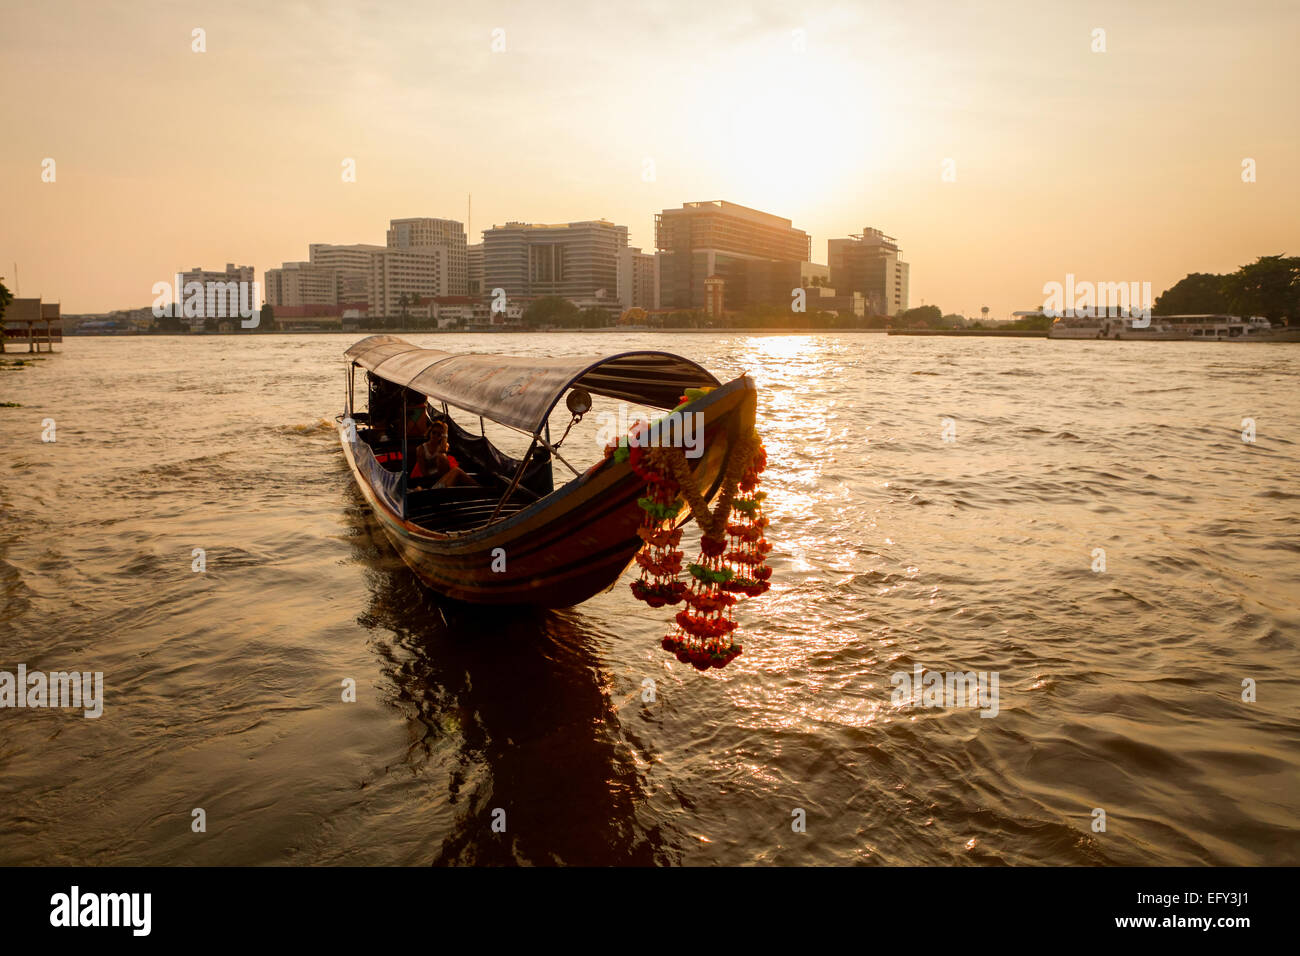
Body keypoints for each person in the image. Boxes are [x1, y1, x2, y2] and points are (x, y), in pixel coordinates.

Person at [411, 420, 478, 488]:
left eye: (439, 434)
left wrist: (445, 431)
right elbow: (424, 474)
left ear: (441, 437)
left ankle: (479, 488)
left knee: (450, 464)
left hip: (443, 475)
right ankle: (479, 488)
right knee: (445, 460)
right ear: (430, 432)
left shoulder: (443, 446)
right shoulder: (421, 449)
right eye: (434, 432)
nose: (435, 436)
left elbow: (443, 450)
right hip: (430, 481)